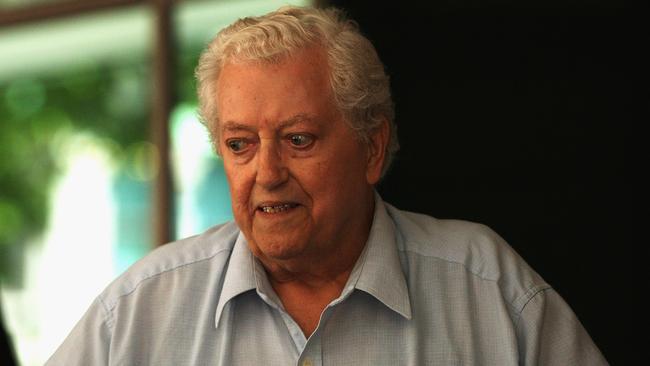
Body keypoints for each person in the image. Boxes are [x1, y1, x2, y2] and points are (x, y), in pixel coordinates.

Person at [47, 5, 608, 365]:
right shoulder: (142, 309)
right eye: (240, 144)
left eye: (298, 139)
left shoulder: (488, 289)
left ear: (371, 147)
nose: (266, 174)